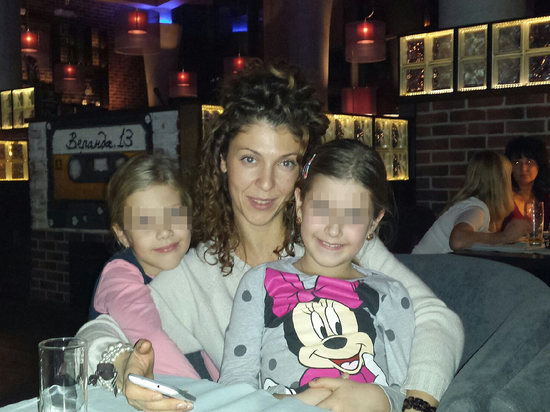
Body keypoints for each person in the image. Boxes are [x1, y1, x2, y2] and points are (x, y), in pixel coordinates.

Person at [76, 60, 463, 412]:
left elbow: (437, 319)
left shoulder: (335, 242)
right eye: (249, 159)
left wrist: (411, 404)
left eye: (286, 163)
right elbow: (100, 332)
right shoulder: (195, 273)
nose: (265, 183)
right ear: (222, 160)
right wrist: (123, 364)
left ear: (302, 173)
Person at [219, 140, 415, 412]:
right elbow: (235, 384)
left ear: (373, 222)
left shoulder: (390, 294)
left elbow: (404, 391)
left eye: (353, 215)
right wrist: (302, 402)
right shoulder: (261, 282)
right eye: (323, 208)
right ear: (300, 204)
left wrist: (379, 399)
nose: (334, 229)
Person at [88, 151, 215, 389]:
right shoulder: (118, 276)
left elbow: (215, 338)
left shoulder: (195, 266)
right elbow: (149, 338)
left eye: (174, 214)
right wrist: (208, 396)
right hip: (153, 392)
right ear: (122, 235)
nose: (164, 231)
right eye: (145, 221)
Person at [412, 150, 530, 254]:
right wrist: (504, 237)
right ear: (501, 182)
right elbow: (457, 240)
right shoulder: (476, 209)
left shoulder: (472, 204)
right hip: (422, 270)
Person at [502, 136, 550, 231]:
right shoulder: (503, 199)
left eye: (529, 162)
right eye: (517, 163)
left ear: (539, 165)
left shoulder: (547, 199)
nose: (523, 168)